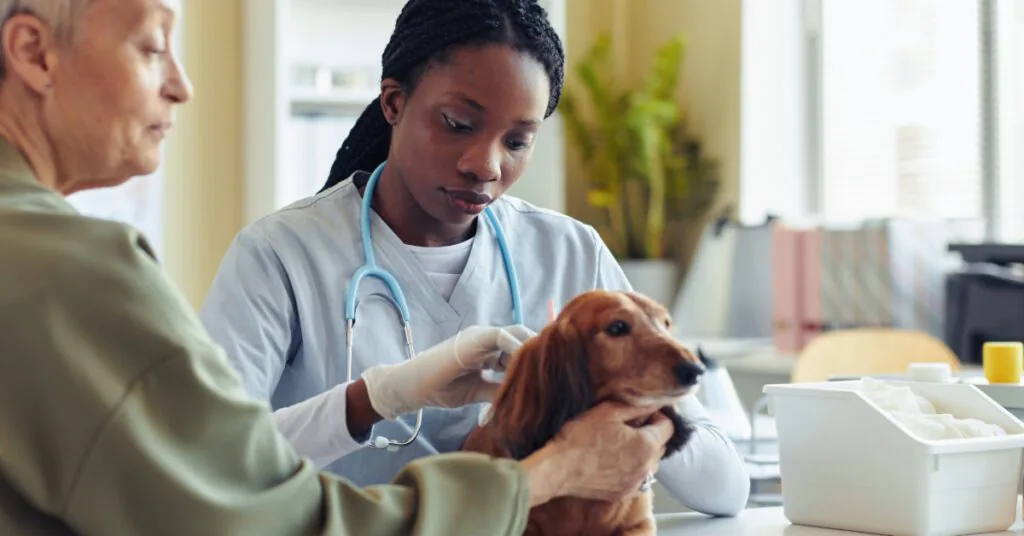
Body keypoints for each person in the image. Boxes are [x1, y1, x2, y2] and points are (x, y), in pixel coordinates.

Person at [0, 1, 678, 534]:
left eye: (519, 140)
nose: (181, 85)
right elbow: (249, 509)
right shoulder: (78, 273)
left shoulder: (570, 247)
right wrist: (548, 468)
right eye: (151, 46)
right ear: (31, 52)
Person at [201, 0, 751, 517]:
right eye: (458, 125)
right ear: (394, 102)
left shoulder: (569, 253)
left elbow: (726, 487)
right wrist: (378, 397)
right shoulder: (281, 255)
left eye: (517, 141)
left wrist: (606, 400)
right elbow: (206, 467)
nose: (486, 165)